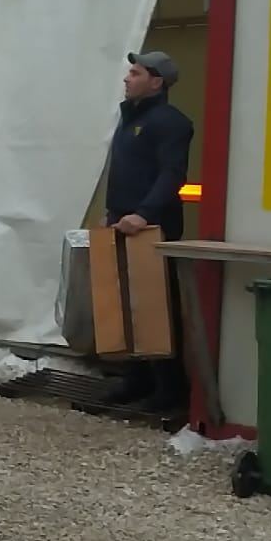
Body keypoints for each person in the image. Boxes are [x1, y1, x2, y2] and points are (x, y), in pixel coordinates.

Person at [104, 50, 194, 412]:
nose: (127, 78)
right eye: (129, 72)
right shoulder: (130, 119)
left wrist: (144, 213)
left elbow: (172, 174)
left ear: (156, 82)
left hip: (152, 227)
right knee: (129, 305)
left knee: (158, 307)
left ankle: (170, 388)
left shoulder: (170, 122)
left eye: (136, 73)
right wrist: (110, 212)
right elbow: (125, 171)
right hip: (122, 223)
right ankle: (136, 380)